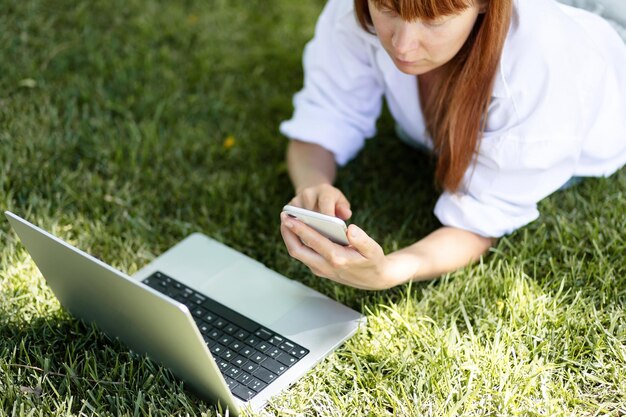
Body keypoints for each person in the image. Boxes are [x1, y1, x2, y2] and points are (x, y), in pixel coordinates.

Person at [278, 0, 626, 290]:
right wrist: (313, 185)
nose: (402, 45)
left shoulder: (540, 68)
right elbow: (324, 115)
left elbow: (483, 215)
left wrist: (390, 270)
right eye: (388, 8)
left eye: (433, 19)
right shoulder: (354, 11)